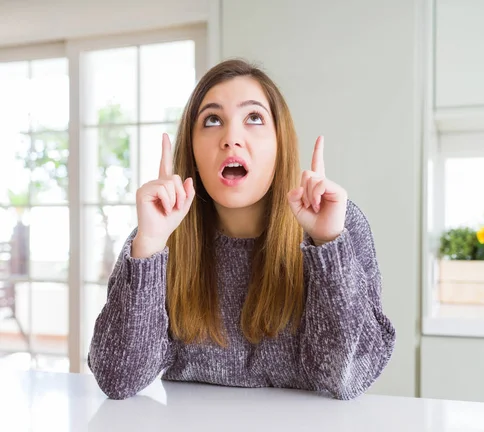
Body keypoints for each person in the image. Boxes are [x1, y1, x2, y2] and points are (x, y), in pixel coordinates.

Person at [88, 59, 396, 401]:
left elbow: (348, 378)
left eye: (254, 118)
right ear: (191, 148)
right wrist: (150, 245)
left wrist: (328, 245)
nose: (231, 139)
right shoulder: (161, 233)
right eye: (212, 120)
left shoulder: (338, 223)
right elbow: (117, 378)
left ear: (281, 144)